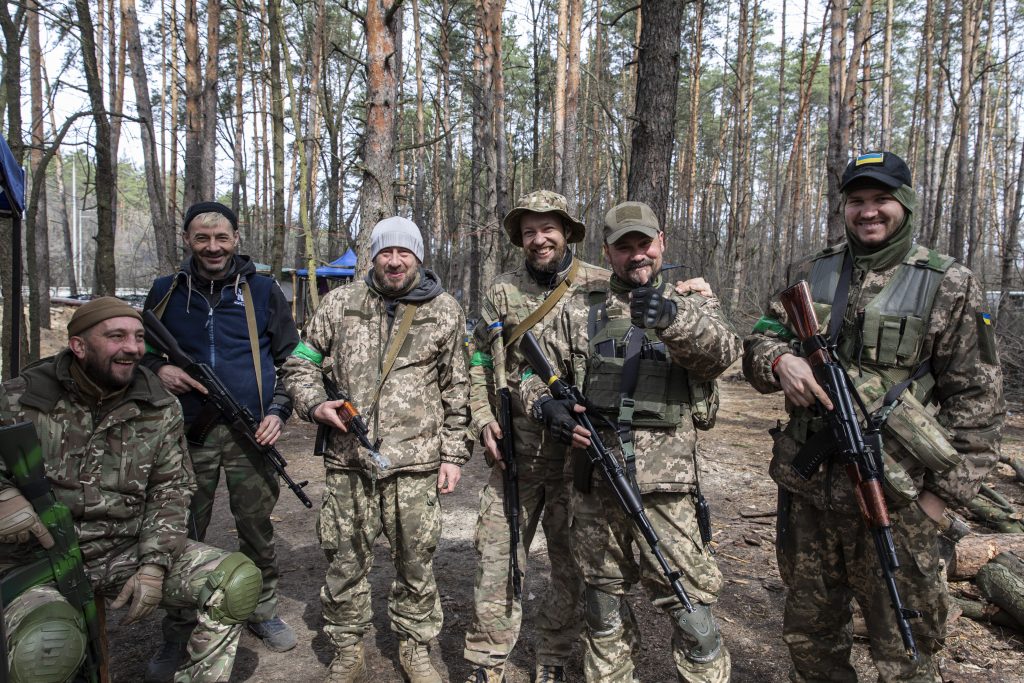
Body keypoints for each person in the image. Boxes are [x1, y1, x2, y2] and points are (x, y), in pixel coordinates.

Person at [742, 150, 1005, 682]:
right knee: (810, 638)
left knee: (906, 648)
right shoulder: (812, 273)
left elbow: (979, 406)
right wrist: (779, 359)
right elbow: (758, 342)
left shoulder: (948, 283)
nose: (868, 211)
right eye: (857, 200)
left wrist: (937, 504)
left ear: (904, 203)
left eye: (881, 199)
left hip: (899, 500)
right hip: (810, 495)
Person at [520, 201, 739, 683]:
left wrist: (672, 319)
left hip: (668, 488)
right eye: (625, 247)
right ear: (608, 252)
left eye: (644, 244)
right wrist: (546, 406)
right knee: (603, 609)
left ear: (661, 241)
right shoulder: (579, 307)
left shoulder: (693, 302)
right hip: (596, 484)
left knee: (693, 612)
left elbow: (726, 353)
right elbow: (530, 373)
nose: (637, 255)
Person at [0, 297, 262, 683]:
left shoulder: (158, 404)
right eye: (116, 336)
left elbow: (172, 488)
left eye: (139, 337)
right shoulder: (20, 397)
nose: (133, 348)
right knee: (47, 647)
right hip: (37, 558)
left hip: (122, 547)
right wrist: (4, 496)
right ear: (79, 345)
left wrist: (155, 566)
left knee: (235, 583)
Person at [282, 216, 471, 683]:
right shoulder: (339, 305)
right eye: (386, 251)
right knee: (344, 559)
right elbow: (300, 364)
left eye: (404, 252)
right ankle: (348, 649)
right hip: (349, 461)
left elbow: (458, 388)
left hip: (416, 464)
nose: (394, 260)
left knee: (416, 562)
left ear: (418, 257)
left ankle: (415, 646)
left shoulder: (445, 310)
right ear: (373, 255)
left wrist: (452, 455)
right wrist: (314, 404)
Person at [142, 201, 301, 680]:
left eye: (221, 238)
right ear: (187, 240)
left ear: (236, 237)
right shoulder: (164, 292)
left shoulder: (263, 290)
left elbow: (294, 360)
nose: (213, 247)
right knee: (182, 530)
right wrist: (159, 369)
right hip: (183, 436)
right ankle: (179, 626)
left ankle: (260, 606)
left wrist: (278, 411)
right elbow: (136, 351)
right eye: (202, 238)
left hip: (252, 431)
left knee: (256, 526)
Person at [463, 190, 607, 683]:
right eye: (529, 232)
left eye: (548, 229)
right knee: (496, 559)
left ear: (566, 231)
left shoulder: (602, 287)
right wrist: (483, 418)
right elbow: (479, 359)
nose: (539, 239)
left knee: (571, 565)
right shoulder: (501, 290)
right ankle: (487, 659)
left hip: (578, 460)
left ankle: (554, 655)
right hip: (515, 456)